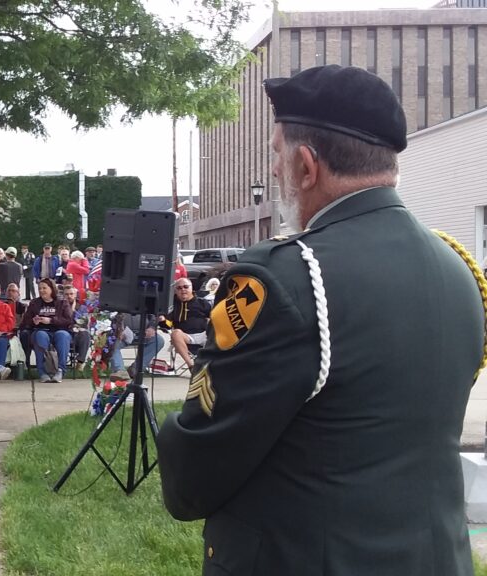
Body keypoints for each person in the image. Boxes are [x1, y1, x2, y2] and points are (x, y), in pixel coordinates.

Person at [156, 65, 487, 576]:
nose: (274, 171)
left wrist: (174, 439)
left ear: (307, 166)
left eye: (275, 155)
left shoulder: (285, 277)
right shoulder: (460, 270)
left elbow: (195, 472)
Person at [20, 278, 73, 383]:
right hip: (41, 330)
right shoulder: (35, 303)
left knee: (62, 335)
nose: (41, 290)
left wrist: (51, 320)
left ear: (52, 289)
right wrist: (33, 321)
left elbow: (68, 320)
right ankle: (42, 372)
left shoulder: (62, 302)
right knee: (40, 335)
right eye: (40, 288)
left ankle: (60, 370)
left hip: (59, 330)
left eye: (44, 288)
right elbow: (26, 320)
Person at [159, 278, 211, 369]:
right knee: (175, 333)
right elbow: (168, 325)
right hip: (185, 337)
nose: (183, 290)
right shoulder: (172, 305)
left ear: (191, 288)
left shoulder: (203, 303)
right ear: (175, 291)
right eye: (179, 288)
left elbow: (214, 317)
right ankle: (191, 366)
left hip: (205, 335)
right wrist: (162, 320)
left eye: (186, 287)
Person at [109, 313, 165, 381]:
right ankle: (119, 371)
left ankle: (136, 369)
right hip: (120, 334)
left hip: (143, 333)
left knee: (159, 340)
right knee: (112, 342)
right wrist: (117, 329)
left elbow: (153, 316)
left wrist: (152, 327)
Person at [62, 284, 90, 371]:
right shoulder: (59, 306)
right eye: (66, 294)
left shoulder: (82, 307)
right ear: (63, 295)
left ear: (75, 295)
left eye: (71, 294)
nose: (69, 296)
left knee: (85, 334)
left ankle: (80, 363)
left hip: (77, 334)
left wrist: (74, 311)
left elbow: (83, 323)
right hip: (64, 334)